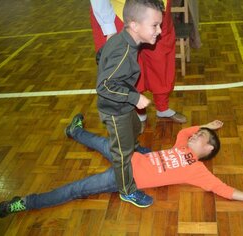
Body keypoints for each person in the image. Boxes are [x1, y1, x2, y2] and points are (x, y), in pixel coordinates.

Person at [0, 114, 243, 218]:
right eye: (197, 133)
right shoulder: (182, 142)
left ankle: (24, 203)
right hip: (129, 155)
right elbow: (186, 131)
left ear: (208, 150)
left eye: (201, 137)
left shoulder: (198, 171)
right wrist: (205, 125)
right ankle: (74, 131)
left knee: (77, 188)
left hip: (125, 176)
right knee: (100, 141)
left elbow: (225, 190)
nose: (195, 134)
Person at [95, 0, 168, 208]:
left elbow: (100, 54)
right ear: (134, 25)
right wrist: (134, 97)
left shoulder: (123, 40)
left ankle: (134, 147)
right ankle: (127, 191)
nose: (160, 31)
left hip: (124, 103)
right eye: (155, 25)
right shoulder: (124, 51)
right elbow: (104, 86)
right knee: (122, 154)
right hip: (114, 111)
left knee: (135, 126)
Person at [90, 0, 187, 127]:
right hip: (121, 12)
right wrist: (109, 28)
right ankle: (138, 111)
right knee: (128, 64)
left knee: (161, 59)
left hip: (156, 7)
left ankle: (163, 107)